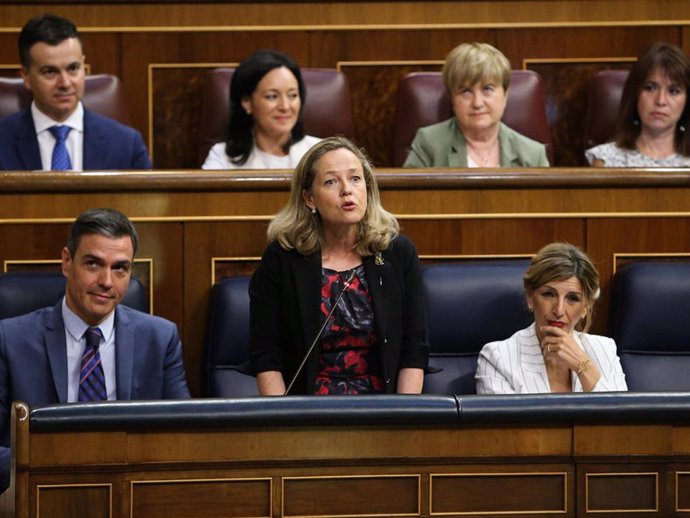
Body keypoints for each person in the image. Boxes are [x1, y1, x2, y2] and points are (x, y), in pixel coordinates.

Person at [0, 208, 190, 492]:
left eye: (120, 268)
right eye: (93, 264)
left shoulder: (160, 339)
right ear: (67, 262)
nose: (107, 281)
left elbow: (183, 437)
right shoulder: (10, 338)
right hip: (40, 494)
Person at [249, 136, 429, 395]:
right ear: (310, 198)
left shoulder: (396, 253)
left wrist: (403, 418)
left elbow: (413, 348)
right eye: (331, 181)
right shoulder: (283, 259)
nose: (347, 190)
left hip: (384, 409)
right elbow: (267, 354)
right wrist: (282, 423)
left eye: (355, 178)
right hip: (306, 411)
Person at [0, 14, 151, 171]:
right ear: (26, 76)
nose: (65, 83)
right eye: (50, 72)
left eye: (73, 68)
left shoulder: (127, 145)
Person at [476, 242, 627, 394]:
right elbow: (505, 418)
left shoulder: (605, 350)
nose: (559, 310)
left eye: (573, 298)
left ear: (585, 308)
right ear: (530, 297)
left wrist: (582, 364)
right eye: (549, 294)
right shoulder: (498, 358)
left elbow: (622, 415)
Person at [403, 42, 549, 168]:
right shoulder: (429, 144)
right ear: (452, 98)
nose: (477, 103)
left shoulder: (533, 155)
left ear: (505, 94)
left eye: (487, 89)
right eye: (466, 91)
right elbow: (409, 199)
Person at [202, 49, 320, 169]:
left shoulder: (320, 154)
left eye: (292, 95)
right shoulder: (223, 157)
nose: (285, 106)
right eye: (272, 96)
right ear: (247, 102)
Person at [586, 42, 690, 167]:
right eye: (650, 88)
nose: (660, 101)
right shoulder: (606, 161)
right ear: (635, 94)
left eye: (673, 91)